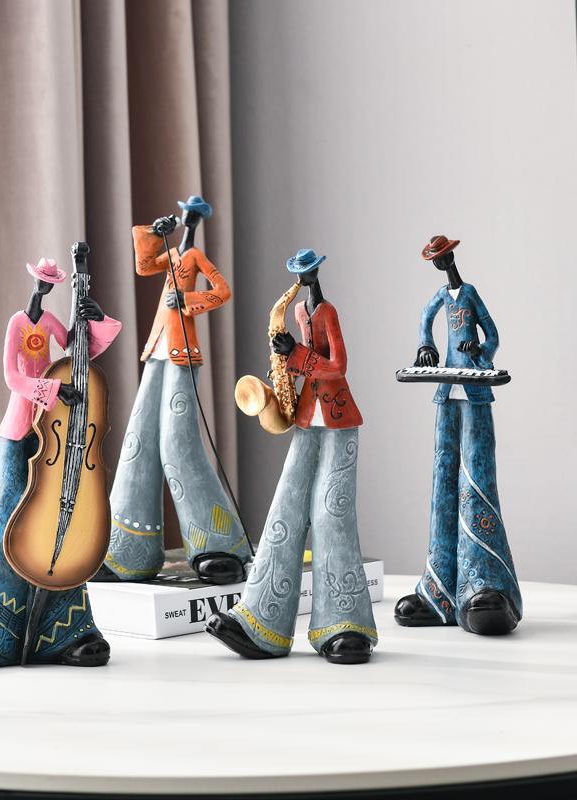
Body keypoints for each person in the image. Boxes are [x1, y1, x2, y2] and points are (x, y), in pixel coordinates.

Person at [0, 257, 121, 668]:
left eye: (49, 283)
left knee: (60, 514)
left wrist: (93, 319)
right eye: (41, 281)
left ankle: (66, 630)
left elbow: (78, 350)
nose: (44, 288)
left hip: (51, 427)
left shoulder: (51, 321)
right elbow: (13, 377)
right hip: (23, 423)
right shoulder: (18, 323)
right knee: (8, 513)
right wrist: (52, 390)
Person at [206, 249, 377, 664]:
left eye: (308, 271)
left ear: (316, 271)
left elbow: (338, 366)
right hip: (306, 415)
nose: (304, 278)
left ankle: (345, 622)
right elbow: (307, 365)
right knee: (285, 506)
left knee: (331, 513)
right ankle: (260, 620)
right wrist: (284, 366)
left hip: (338, 418)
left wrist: (297, 355)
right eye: (300, 272)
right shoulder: (299, 312)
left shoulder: (328, 311)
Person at [96, 196, 249, 585]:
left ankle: (219, 544)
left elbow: (222, 291)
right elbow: (145, 265)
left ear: (198, 220)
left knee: (177, 443)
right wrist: (153, 232)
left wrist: (187, 300)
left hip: (182, 351)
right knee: (139, 438)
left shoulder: (194, 256)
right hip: (158, 349)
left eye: (193, 215)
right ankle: (127, 549)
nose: (188, 219)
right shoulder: (173, 253)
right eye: (185, 214)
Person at [394, 236, 521, 635]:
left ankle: (484, 582)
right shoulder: (440, 297)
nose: (440, 263)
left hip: (475, 385)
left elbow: (493, 334)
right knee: (444, 476)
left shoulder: (469, 293)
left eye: (442, 257)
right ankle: (441, 591)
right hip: (448, 386)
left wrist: (479, 349)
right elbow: (424, 319)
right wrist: (425, 345)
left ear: (450, 257)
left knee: (478, 473)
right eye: (435, 258)